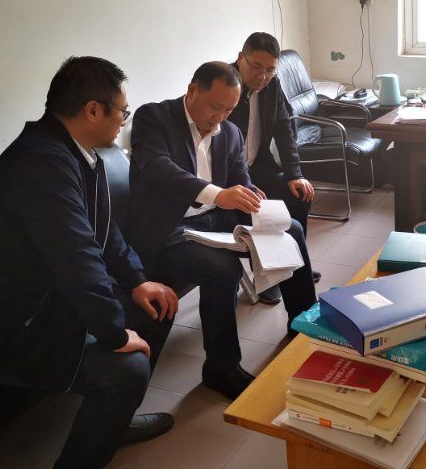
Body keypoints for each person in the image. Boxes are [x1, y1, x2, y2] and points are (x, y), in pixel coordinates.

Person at [0, 57, 179, 469]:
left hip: (49, 303)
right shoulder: (40, 163)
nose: (124, 121)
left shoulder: (75, 153)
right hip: (10, 327)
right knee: (128, 370)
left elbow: (103, 230)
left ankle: (115, 422)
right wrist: (114, 333)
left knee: (157, 303)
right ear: (93, 110)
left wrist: (137, 280)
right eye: (122, 112)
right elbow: (77, 259)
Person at [128, 61, 317, 400]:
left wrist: (251, 195)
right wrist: (218, 194)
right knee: (222, 268)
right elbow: (158, 168)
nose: (220, 117)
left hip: (217, 218)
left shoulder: (229, 132)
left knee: (292, 229)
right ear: (192, 90)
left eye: (228, 110)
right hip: (170, 228)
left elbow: (238, 179)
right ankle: (220, 368)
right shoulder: (154, 118)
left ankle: (303, 324)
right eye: (215, 107)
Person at [229, 32, 319, 304]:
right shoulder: (225, 84)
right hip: (229, 177)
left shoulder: (272, 86)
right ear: (240, 59)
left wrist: (295, 174)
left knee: (299, 195)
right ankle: (268, 275)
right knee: (261, 211)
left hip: (258, 166)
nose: (263, 76)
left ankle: (294, 263)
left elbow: (284, 129)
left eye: (270, 70)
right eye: (257, 67)